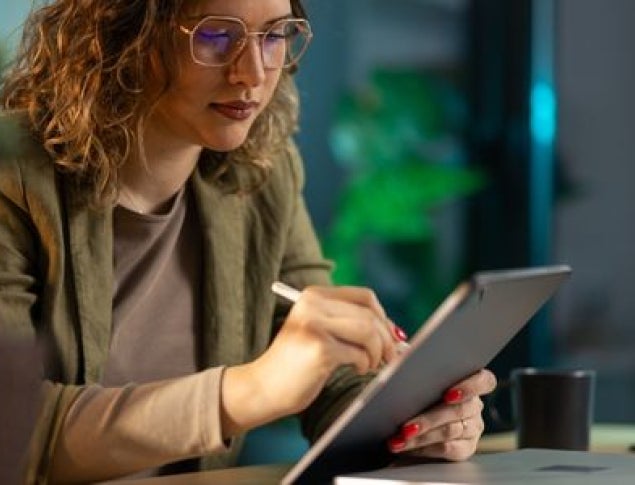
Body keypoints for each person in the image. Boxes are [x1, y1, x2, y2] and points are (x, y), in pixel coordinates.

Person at [0, 0, 497, 483]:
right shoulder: (13, 179)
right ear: (123, 33)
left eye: (275, 34)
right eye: (216, 35)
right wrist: (248, 392)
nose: (253, 74)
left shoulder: (263, 173)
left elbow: (332, 374)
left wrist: (409, 419)